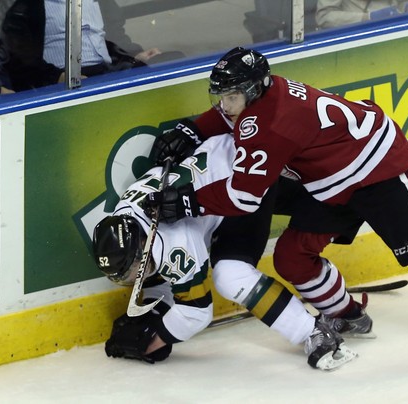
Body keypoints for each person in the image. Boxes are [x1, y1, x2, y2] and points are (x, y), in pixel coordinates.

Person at [146, 47, 408, 358]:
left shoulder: (270, 125)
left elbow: (243, 198)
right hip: (330, 178)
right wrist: (193, 128)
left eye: (230, 96)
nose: (223, 105)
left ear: (252, 90)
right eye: (220, 96)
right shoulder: (266, 94)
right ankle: (347, 315)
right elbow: (229, 121)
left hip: (384, 172)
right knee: (292, 259)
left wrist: (185, 203)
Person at [92, 133, 357, 370]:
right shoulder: (126, 224)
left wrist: (154, 339)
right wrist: (155, 314)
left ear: (141, 244)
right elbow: (160, 274)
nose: (131, 278)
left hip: (241, 185)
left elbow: (197, 311)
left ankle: (313, 333)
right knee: (161, 271)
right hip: (222, 163)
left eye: (132, 270)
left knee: (231, 276)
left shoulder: (173, 241)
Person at [0, 0, 179, 92]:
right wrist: (57, 78)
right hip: (67, 77)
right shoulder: (25, 6)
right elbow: (20, 63)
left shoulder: (100, 2)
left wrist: (134, 54)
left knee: (173, 60)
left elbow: (113, 36)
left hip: (108, 70)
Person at [316, 0, 408, 29]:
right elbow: (324, 16)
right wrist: (367, 18)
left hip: (393, 32)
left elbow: (401, 3)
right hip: (355, 38)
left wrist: (406, 7)